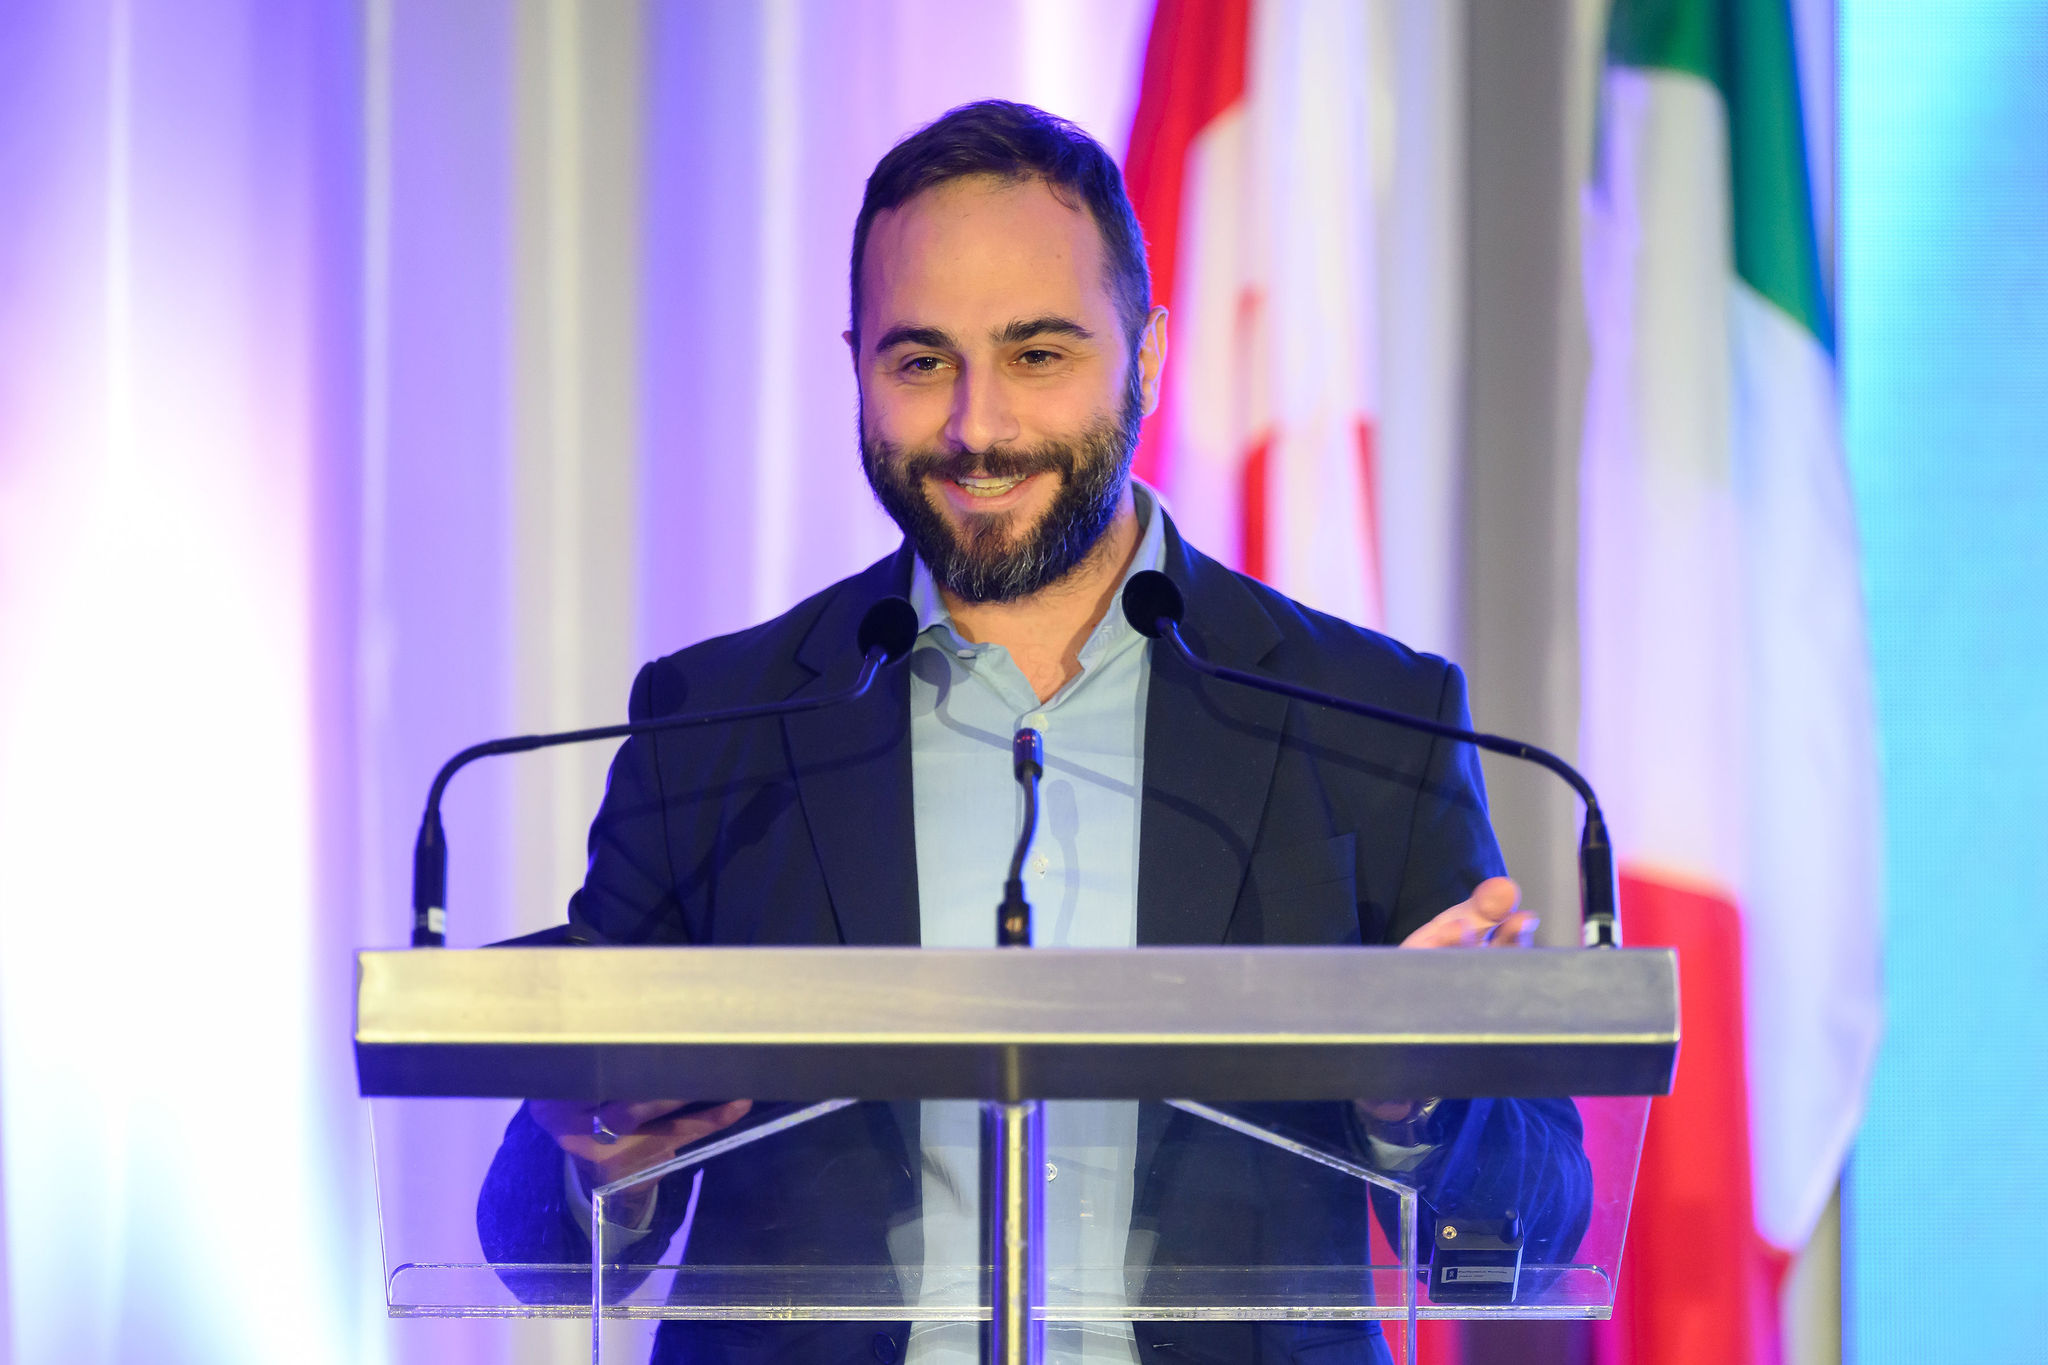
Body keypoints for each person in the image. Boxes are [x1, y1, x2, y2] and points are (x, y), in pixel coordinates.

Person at [477, 99, 1588, 1365]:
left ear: (1148, 354)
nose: (977, 427)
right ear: (855, 365)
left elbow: (1530, 1237)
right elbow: (539, 1248)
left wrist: (1418, 1107)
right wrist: (594, 1151)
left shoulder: (1368, 717)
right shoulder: (716, 724)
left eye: (1037, 354)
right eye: (919, 362)